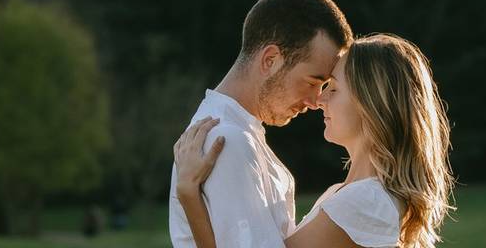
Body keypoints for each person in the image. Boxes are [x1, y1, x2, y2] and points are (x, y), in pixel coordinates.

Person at [175, 33, 454, 248]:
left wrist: (189, 194)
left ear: (370, 105)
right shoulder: (351, 195)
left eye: (333, 88)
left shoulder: (363, 201)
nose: (319, 100)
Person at [168, 0, 355, 248]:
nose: (316, 101)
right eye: (313, 82)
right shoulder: (226, 141)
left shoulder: (238, 132)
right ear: (270, 60)